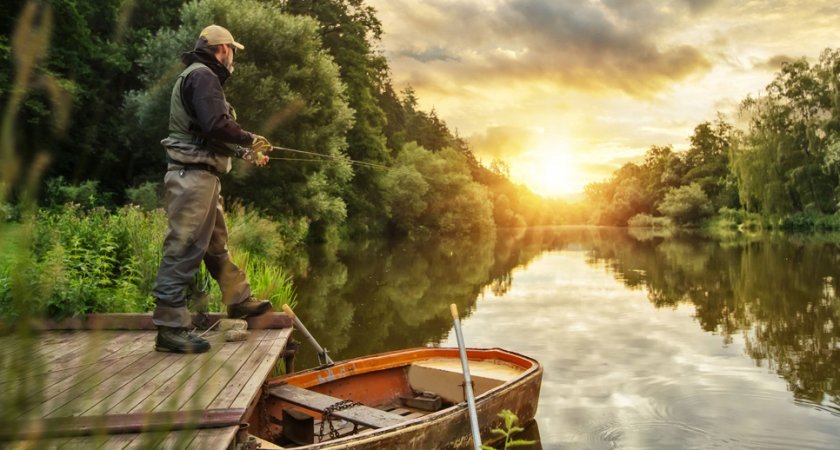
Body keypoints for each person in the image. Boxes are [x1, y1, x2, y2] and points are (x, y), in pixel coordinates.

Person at [150, 24, 274, 353]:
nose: (233, 57)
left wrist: (245, 152)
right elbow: (216, 124)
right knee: (183, 247)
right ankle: (169, 328)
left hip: (200, 177)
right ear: (223, 49)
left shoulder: (198, 76)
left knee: (216, 248)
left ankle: (239, 301)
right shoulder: (203, 75)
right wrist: (250, 138)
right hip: (192, 178)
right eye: (232, 50)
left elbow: (207, 133)